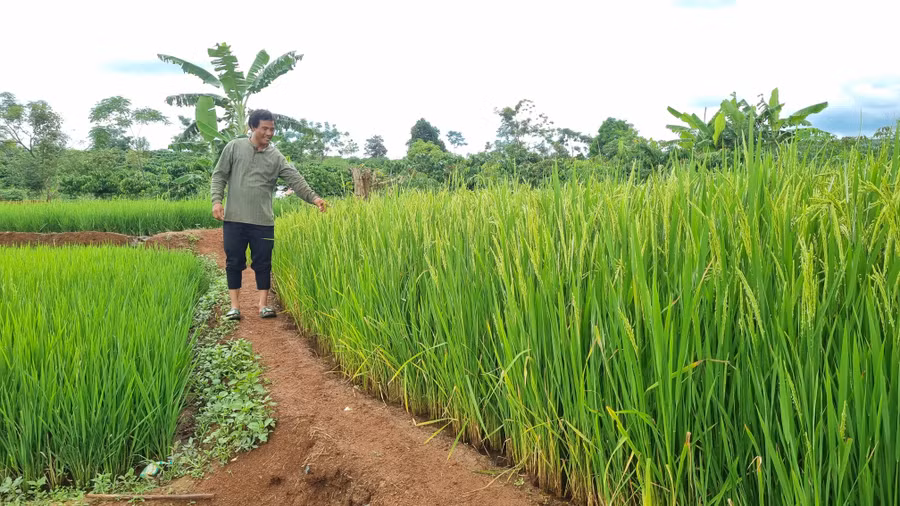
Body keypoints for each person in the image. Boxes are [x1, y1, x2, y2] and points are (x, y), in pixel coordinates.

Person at [210, 109, 327, 320]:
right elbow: (219, 175)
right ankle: (234, 307)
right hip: (234, 219)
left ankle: (263, 305)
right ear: (253, 127)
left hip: (263, 221)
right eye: (265, 128)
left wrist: (314, 198)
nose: (269, 133)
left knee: (263, 263)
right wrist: (216, 201)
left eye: (272, 129)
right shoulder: (235, 147)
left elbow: (295, 180)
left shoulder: (276, 156)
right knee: (234, 262)